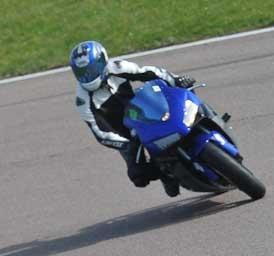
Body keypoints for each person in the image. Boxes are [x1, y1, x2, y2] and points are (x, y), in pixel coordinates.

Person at [69, 40, 196, 197]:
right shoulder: (82, 100)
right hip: (125, 135)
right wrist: (126, 144)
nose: (88, 76)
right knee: (138, 176)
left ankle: (206, 120)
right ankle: (166, 173)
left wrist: (176, 80)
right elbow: (99, 133)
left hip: (145, 111)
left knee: (182, 96)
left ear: (102, 61)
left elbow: (150, 72)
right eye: (82, 73)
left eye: (92, 69)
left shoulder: (117, 67)